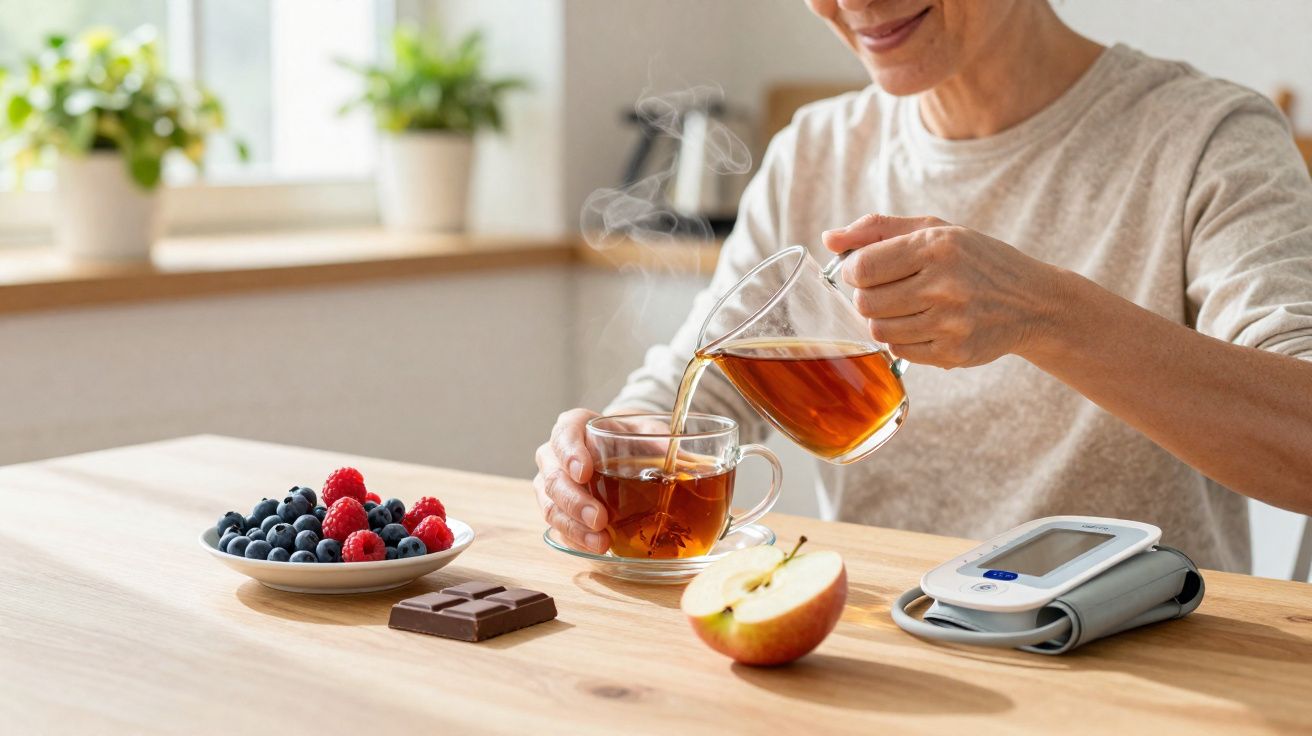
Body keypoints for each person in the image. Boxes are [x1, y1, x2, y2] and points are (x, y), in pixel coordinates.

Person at [535, 0, 1312, 572]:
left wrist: (1043, 314)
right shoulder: (815, 149)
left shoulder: (1208, 139)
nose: (857, 4)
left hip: (1138, 673)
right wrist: (598, 447)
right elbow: (694, 390)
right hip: (877, 657)